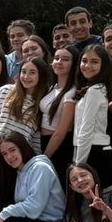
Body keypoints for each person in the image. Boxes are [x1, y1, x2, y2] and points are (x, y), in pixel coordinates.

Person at [0, 56, 49, 170]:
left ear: (41, 76)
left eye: (32, 73)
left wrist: (35, 162)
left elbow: (35, 138)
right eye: (23, 72)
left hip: (20, 158)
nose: (26, 76)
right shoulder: (6, 91)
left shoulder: (42, 104)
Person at [70, 43, 112, 189]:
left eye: (94, 62)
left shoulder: (95, 90)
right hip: (89, 150)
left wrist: (78, 165)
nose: (87, 65)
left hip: (95, 152)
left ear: (103, 66)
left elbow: (86, 129)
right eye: (85, 60)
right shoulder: (90, 89)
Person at [40, 46, 78, 175]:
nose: (59, 62)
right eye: (56, 58)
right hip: (43, 141)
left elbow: (61, 131)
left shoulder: (72, 92)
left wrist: (44, 157)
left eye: (65, 59)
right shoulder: (52, 87)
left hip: (58, 147)